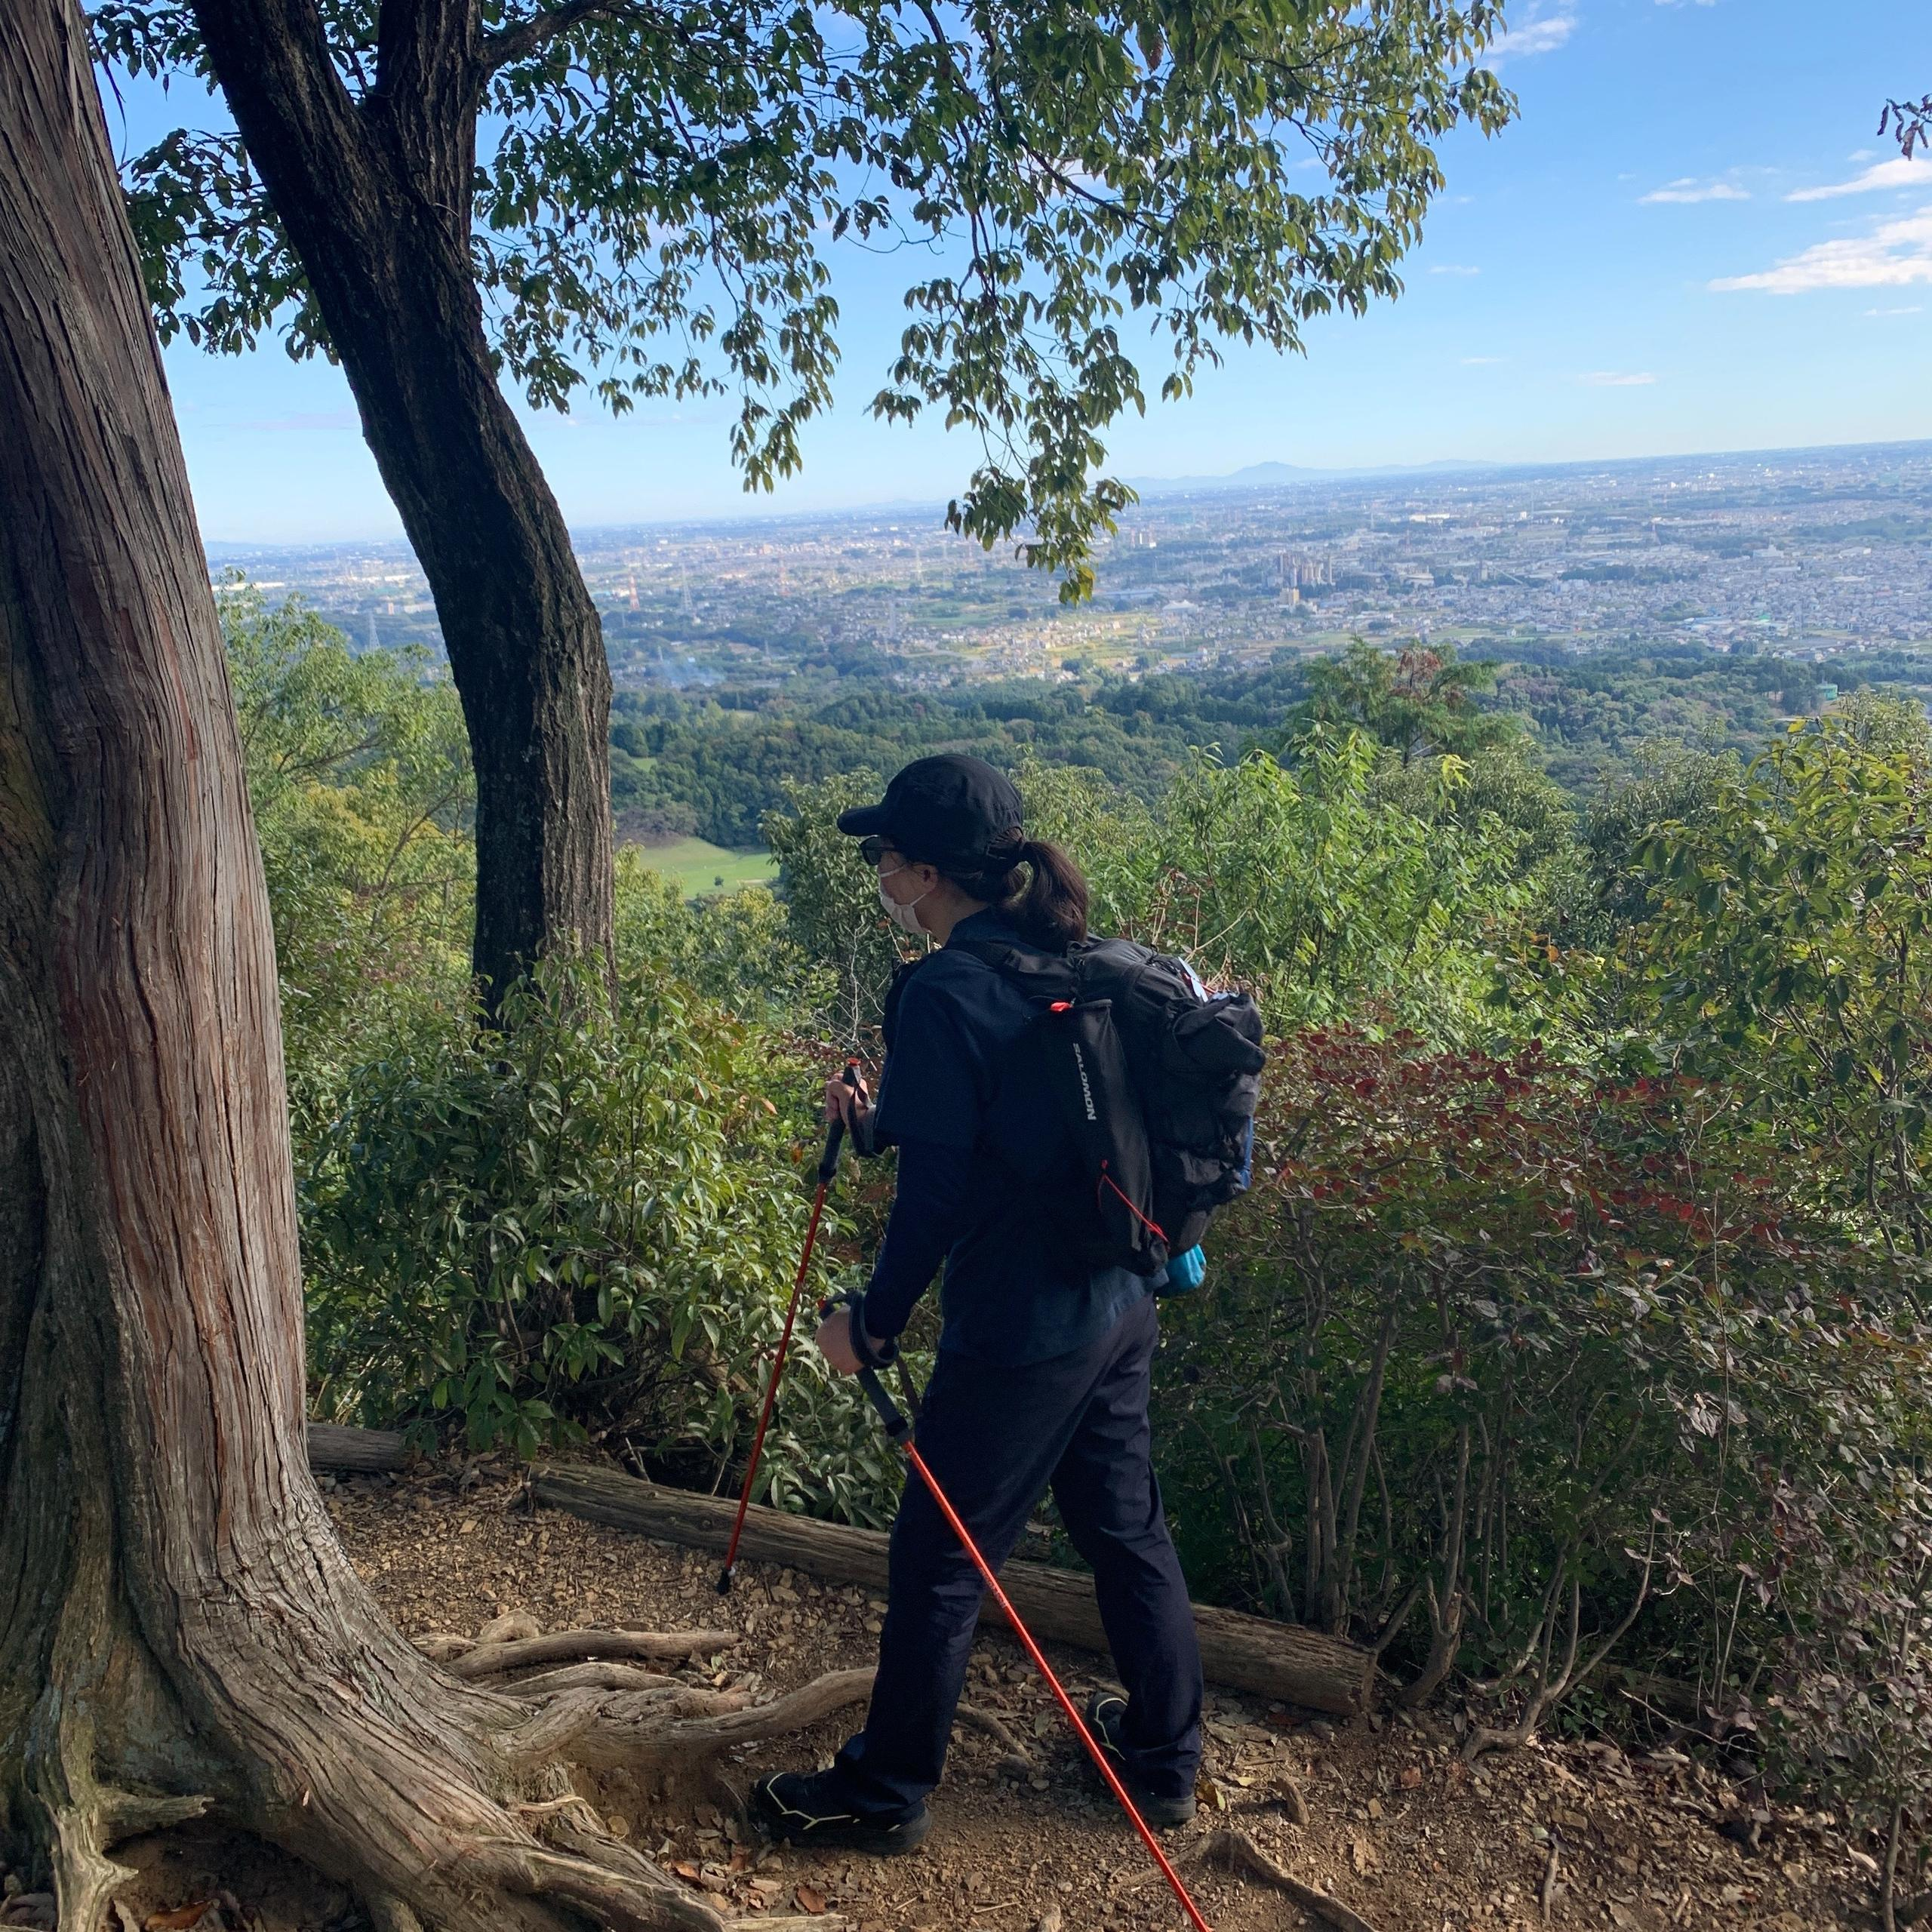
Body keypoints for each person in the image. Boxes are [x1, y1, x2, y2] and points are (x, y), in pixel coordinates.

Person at [749, 754, 1204, 1856]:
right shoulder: (1073, 956)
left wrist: (873, 1324)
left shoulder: (948, 990)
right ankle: (1160, 1759)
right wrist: (874, 1122)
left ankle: (884, 1792)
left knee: (941, 1563)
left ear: (925, 872)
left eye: (883, 856)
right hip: (1119, 1302)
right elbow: (1008, 1137)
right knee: (1126, 1526)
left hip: (1021, 1332)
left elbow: (939, 1198)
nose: (876, 871)